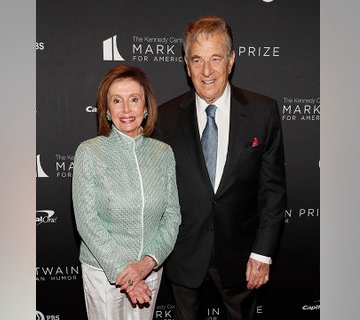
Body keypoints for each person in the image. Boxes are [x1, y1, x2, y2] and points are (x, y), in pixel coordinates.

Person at [153, 16, 287, 320]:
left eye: (215, 58)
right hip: (184, 253)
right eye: (197, 60)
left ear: (231, 61)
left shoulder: (262, 112)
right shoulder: (165, 117)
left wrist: (262, 253)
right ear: (187, 65)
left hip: (242, 256)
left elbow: (273, 191)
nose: (207, 71)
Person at [72, 64, 181, 320]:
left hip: (149, 272)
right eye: (117, 101)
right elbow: (87, 222)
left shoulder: (163, 153)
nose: (126, 109)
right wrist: (126, 275)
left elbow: (172, 216)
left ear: (146, 107)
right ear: (107, 111)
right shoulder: (90, 152)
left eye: (134, 99)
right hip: (104, 272)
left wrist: (147, 264)